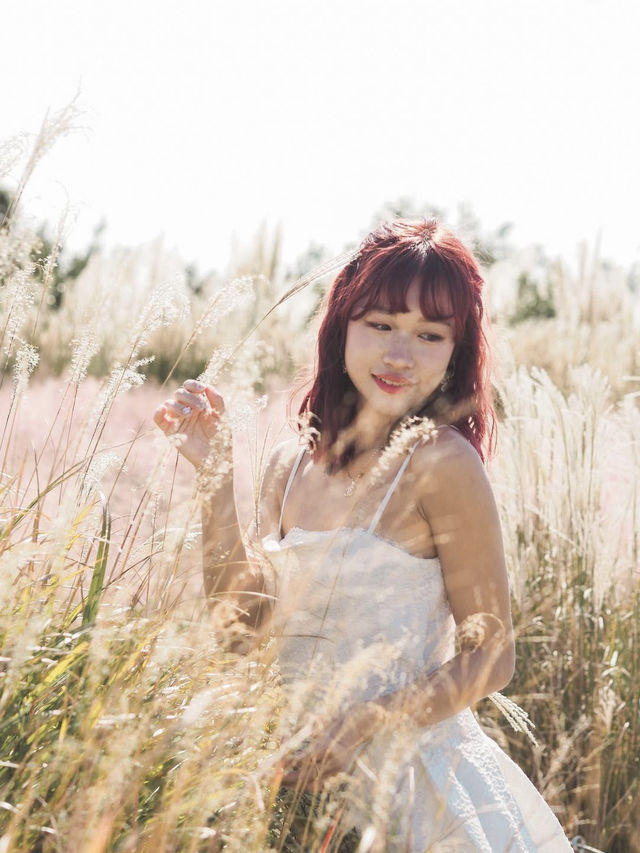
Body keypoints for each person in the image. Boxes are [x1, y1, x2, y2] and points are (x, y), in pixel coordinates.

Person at [154, 219, 572, 851]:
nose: (399, 356)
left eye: (429, 335)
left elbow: (492, 657)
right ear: (341, 326)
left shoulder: (441, 463)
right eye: (380, 324)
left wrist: (363, 726)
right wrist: (214, 476)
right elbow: (240, 630)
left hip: (407, 787)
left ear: (455, 353)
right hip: (289, 779)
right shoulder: (288, 464)